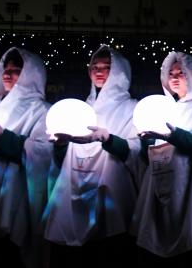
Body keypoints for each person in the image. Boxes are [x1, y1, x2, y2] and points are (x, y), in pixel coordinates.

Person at [44, 46, 140, 268]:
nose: (99, 72)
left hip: (111, 199)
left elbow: (137, 153)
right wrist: (59, 146)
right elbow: (61, 161)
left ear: (119, 73)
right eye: (94, 67)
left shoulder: (131, 110)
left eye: (106, 68)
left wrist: (109, 140)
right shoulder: (79, 109)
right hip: (72, 197)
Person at [130, 51, 192, 267]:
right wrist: (146, 142)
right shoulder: (158, 109)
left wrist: (175, 136)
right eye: (170, 73)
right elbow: (145, 157)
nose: (174, 77)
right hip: (157, 188)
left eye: (181, 73)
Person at [0, 48, 51, 268]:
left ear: (30, 76)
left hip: (16, 196)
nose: (8, 74)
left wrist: (6, 140)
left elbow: (44, 153)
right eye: (6, 69)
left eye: (16, 71)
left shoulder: (41, 111)